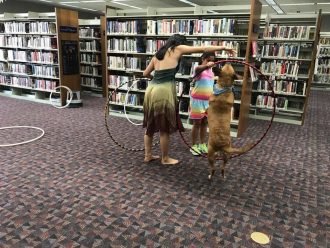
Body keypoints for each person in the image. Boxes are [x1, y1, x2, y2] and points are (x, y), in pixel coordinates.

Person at [143, 34, 236, 165]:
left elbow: (145, 74)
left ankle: (148, 155)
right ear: (179, 43)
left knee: (150, 125)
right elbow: (202, 48)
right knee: (164, 128)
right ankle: (165, 159)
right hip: (163, 91)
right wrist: (224, 47)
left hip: (151, 89)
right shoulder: (177, 48)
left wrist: (157, 79)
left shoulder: (157, 55)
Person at [189, 52, 215, 156]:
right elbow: (198, 69)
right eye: (208, 60)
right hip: (197, 101)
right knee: (197, 123)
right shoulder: (198, 69)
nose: (211, 62)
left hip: (208, 102)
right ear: (203, 58)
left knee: (204, 123)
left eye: (212, 60)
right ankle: (194, 145)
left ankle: (203, 144)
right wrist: (206, 65)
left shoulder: (211, 71)